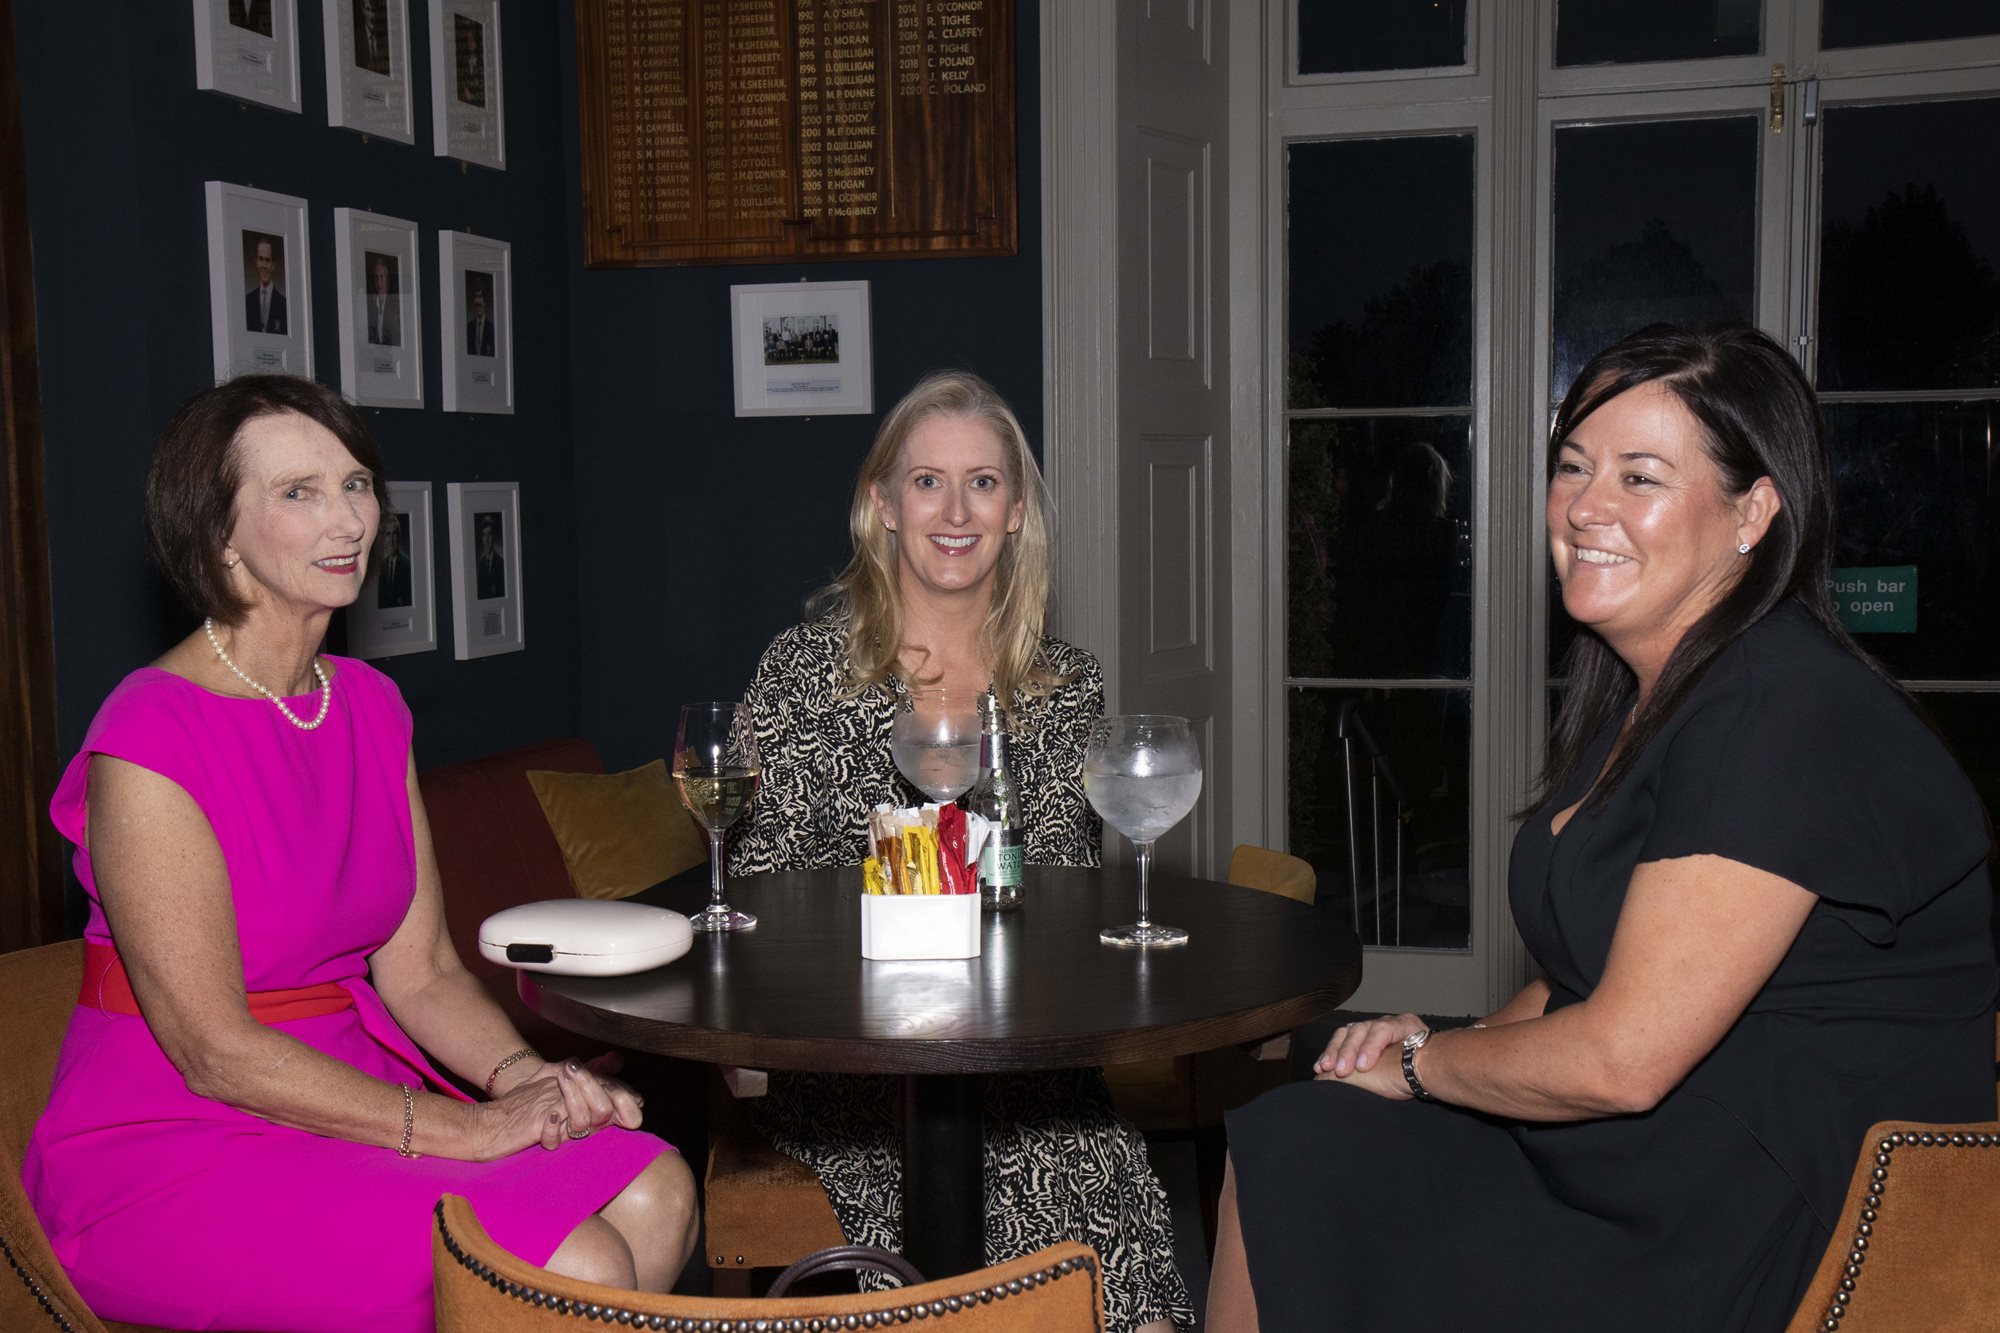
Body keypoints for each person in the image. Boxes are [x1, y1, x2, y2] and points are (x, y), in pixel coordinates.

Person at [1207, 324, 1998, 1332]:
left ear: (1753, 512)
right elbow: (1582, 970)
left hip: (1768, 1215)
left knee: (1307, 1160)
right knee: (1293, 1137)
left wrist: (1418, 1067)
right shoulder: (1656, 693)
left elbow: (1622, 1058)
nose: (1586, 506)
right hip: (1662, 1153)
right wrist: (1443, 1042)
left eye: (1639, 476)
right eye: (1574, 466)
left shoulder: (1779, 710)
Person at [22, 375, 696, 1331]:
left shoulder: (369, 706)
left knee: (658, 1190)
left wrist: (523, 1080)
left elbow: (422, 972)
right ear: (218, 532)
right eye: (298, 492)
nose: (347, 519)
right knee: (567, 1261)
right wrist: (467, 1126)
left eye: (356, 484)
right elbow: (213, 1050)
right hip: (176, 1140)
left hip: (354, 1092)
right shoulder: (149, 736)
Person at [729, 370, 1193, 1333]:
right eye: (927, 481)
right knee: (1027, 1172)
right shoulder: (805, 673)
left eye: (982, 482)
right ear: (882, 504)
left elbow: (1061, 897)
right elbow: (767, 904)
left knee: (1091, 1172)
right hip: (856, 1067)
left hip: (1021, 1058)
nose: (954, 511)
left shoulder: (1064, 686)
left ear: (1016, 510)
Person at [245, 236, 287, 335]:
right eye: (261, 259)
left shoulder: (284, 304)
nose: (263, 265)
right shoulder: (247, 301)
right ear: (256, 262)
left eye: (267, 260)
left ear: (273, 265)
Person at [374, 507, 413, 609]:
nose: (391, 540)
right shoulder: (381, 566)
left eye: (394, 534)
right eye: (388, 534)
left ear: (398, 536)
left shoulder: (407, 565)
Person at [367, 254, 400, 348]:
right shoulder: (371, 307)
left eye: (381, 277)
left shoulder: (395, 305)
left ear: (387, 278)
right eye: (376, 277)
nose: (379, 282)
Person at [475, 511, 505, 599]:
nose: (487, 540)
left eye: (489, 534)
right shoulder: (481, 563)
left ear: (493, 537)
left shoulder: (501, 563)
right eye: (484, 535)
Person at [466, 284, 495, 357]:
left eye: (480, 296)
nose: (477, 300)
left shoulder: (492, 329)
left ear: (485, 302)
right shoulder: (469, 328)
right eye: (476, 296)